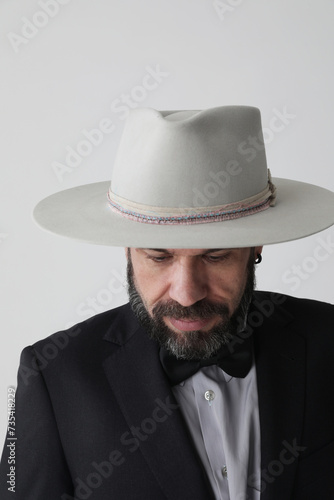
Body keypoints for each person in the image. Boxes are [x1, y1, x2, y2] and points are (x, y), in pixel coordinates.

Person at [0, 106, 333, 500]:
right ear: (126, 248)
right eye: (159, 257)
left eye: (215, 256)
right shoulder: (52, 376)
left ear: (255, 245)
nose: (186, 293)